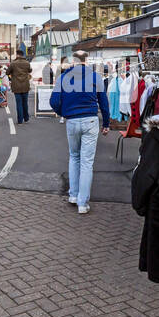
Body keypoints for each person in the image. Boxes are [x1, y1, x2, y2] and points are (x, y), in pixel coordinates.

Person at [50, 50, 110, 215]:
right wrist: (106, 123)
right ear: (87, 60)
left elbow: (53, 101)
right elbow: (104, 102)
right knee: (87, 163)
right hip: (90, 120)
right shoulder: (95, 77)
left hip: (72, 121)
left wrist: (65, 112)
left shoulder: (63, 77)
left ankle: (73, 195)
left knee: (74, 157)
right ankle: (83, 203)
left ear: (73, 60)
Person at [9, 52, 32, 124]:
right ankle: (26, 118)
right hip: (25, 85)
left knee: (19, 104)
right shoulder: (27, 63)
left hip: (16, 86)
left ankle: (20, 120)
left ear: (17, 55)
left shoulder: (13, 63)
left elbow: (7, 72)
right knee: (25, 103)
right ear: (23, 55)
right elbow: (30, 70)